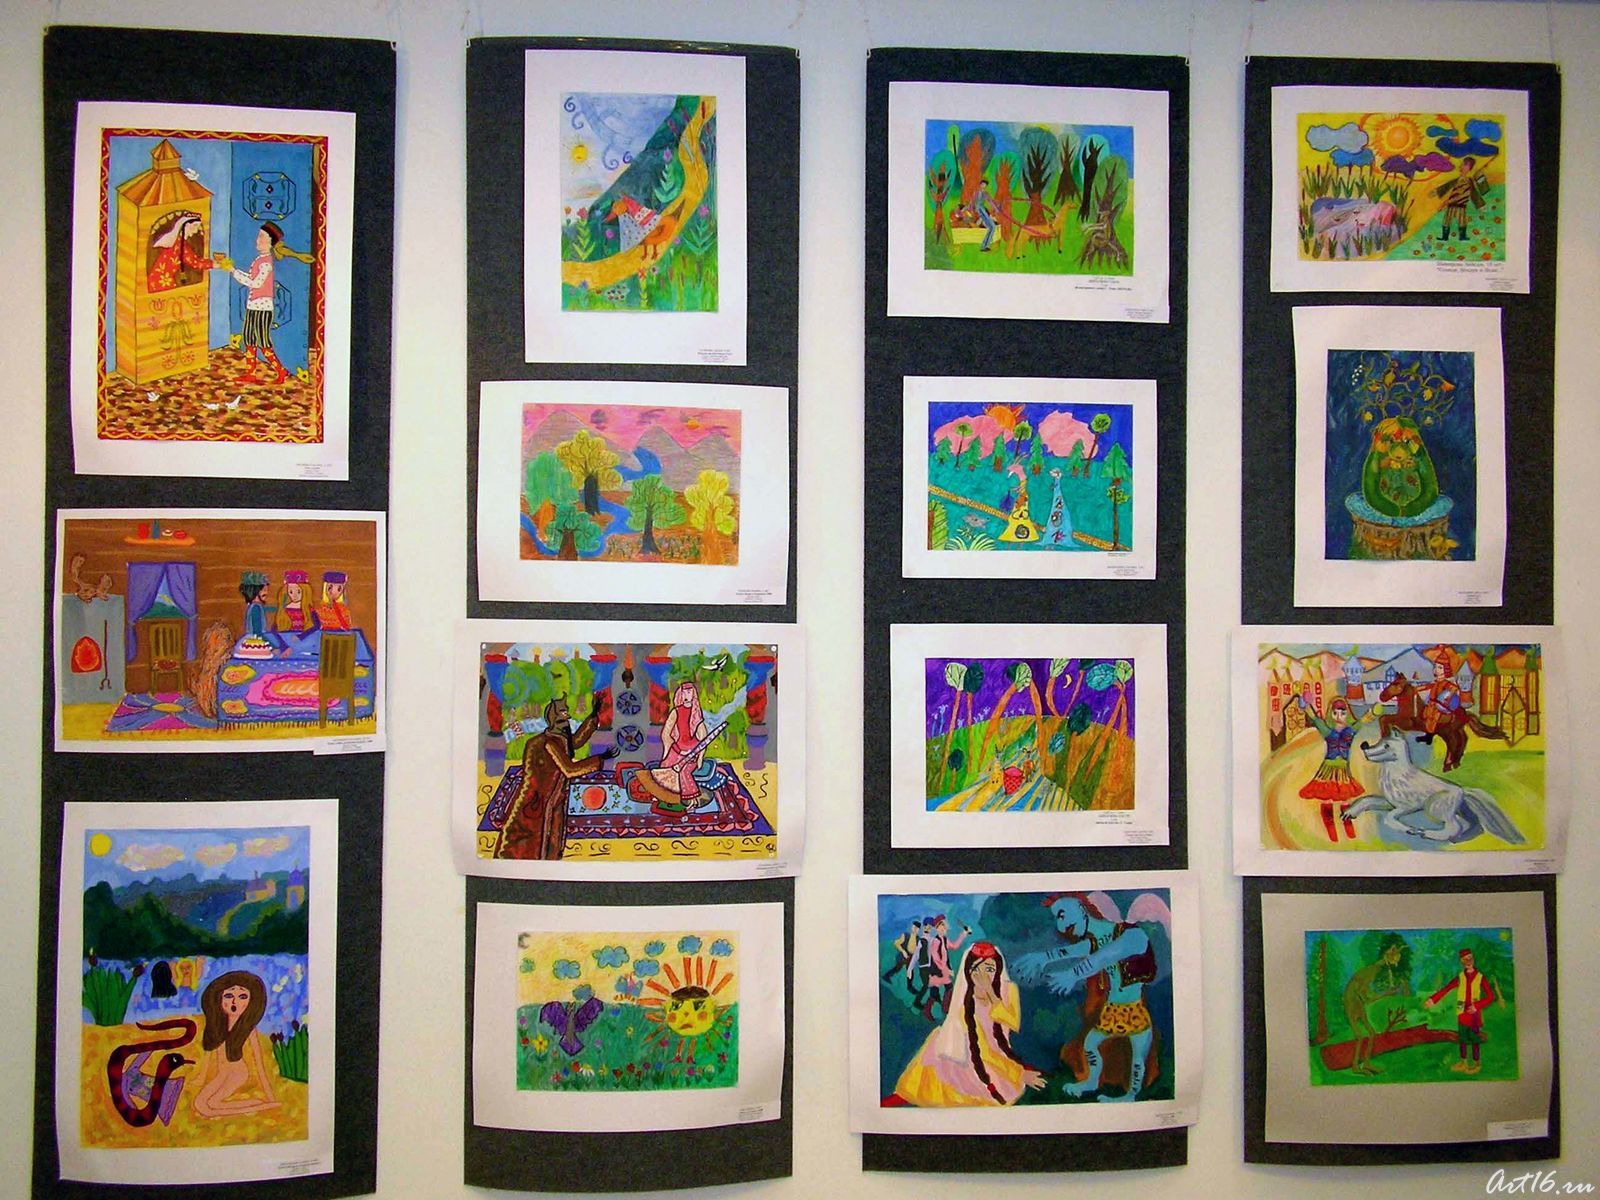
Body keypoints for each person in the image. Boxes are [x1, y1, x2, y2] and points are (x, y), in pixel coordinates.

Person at [1016, 893, 1160, 1102]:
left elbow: (1103, 958)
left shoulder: (1132, 936)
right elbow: (1075, 950)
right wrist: (1043, 957)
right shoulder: (1099, 940)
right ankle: (1092, 1082)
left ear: (1081, 910)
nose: (1061, 925)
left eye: (1062, 915)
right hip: (1112, 1009)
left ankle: (1131, 1094)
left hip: (1134, 1010)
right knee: (1090, 1045)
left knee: (1138, 1056)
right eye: (1057, 918)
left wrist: (1073, 974)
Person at [894, 941, 1046, 1107]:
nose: (983, 976)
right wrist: (1019, 1074)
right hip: (973, 1059)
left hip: (999, 1055)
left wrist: (990, 993)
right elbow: (982, 1051)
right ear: (968, 972)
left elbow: (1012, 1022)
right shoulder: (965, 1005)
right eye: (976, 969)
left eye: (989, 969)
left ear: (998, 970)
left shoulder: (1009, 990)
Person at [497, 695, 616, 860]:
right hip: (537, 802)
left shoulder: (557, 738)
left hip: (552, 800)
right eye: (564, 713)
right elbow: (569, 770)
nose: (568, 716)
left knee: (551, 842)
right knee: (529, 843)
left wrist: (593, 716)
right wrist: (600, 759)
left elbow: (575, 742)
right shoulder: (549, 743)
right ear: (556, 717)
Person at [220, 220, 311, 385]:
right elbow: (251, 279)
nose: (258, 240)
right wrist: (233, 270)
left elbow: (255, 283)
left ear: (270, 243)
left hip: (262, 308)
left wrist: (233, 271)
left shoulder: (266, 263)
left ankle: (281, 370)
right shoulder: (259, 259)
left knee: (263, 342)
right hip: (252, 306)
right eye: (258, 236)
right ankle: (251, 373)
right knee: (249, 339)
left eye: (262, 237)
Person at [190, 970, 281, 1118]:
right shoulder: (216, 1027)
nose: (234, 1002)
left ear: (251, 1002)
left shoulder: (248, 1030)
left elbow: (259, 1063)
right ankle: (254, 1104)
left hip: (237, 1074)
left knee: (207, 1107)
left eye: (242, 997)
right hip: (221, 1074)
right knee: (200, 1104)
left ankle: (262, 1105)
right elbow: (208, 1053)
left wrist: (269, 1094)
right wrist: (201, 1076)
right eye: (228, 996)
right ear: (218, 998)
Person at [1288, 693, 1364, 843]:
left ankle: (1349, 832)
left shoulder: (1351, 731)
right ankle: (1331, 833)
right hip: (1327, 771)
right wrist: (1306, 705)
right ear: (1331, 714)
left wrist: (1375, 711)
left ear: (1348, 714)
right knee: (1328, 799)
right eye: (1335, 713)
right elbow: (1315, 719)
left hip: (1343, 772)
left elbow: (1364, 720)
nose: (1338, 716)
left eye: (1342, 713)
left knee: (1345, 800)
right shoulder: (1327, 731)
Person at [1341, 934, 1409, 1076]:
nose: (1396, 960)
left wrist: (1384, 994)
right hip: (1351, 1000)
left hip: (1356, 999)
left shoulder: (1374, 969)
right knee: (1359, 1036)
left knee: (1371, 1033)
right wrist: (1384, 994)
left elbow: (1365, 993)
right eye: (1395, 956)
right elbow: (1364, 995)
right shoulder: (1373, 970)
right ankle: (1355, 1067)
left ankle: (1366, 1063)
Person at [1424, 947, 1498, 1075]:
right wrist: (1432, 1000)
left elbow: (1491, 996)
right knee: (1462, 1039)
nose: (1468, 961)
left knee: (1474, 1039)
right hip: (1462, 1013)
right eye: (1465, 960)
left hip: (1474, 1014)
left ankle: (1476, 1064)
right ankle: (1463, 1062)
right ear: (1461, 962)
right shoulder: (1460, 977)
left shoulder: (1480, 977)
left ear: (1473, 959)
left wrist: (1477, 1006)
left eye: (1470, 958)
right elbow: (1446, 988)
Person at [654, 680, 720, 809]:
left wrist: (700, 756)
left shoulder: (696, 714)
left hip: (692, 752)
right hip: (676, 750)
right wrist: (667, 752)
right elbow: (666, 732)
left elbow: (703, 737)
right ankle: (664, 796)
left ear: (693, 694)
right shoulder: (676, 712)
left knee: (684, 772)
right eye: (684, 692)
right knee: (665, 768)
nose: (686, 695)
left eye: (689, 692)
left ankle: (692, 801)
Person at [918, 913, 970, 1022]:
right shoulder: (936, 941)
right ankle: (929, 1010)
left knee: (948, 988)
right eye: (943, 926)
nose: (945, 928)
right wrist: (946, 970)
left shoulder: (945, 940)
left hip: (943, 971)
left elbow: (954, 946)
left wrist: (964, 934)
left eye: (945, 926)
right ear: (937, 928)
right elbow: (936, 958)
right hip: (937, 971)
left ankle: (945, 1008)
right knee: (935, 992)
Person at [146, 213, 210, 292]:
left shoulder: (178, 242)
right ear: (186, 226)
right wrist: (215, 264)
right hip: (161, 281)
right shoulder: (179, 244)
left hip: (162, 279)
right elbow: (195, 262)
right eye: (195, 226)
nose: (196, 230)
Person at [1433, 156, 1487, 242]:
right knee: (1447, 220)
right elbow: (1447, 186)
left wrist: (1480, 205)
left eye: (1466, 165)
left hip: (1461, 205)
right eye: (1463, 164)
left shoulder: (1469, 181)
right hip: (1451, 205)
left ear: (1470, 168)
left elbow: (1474, 194)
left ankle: (1462, 236)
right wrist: (1437, 191)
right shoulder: (1457, 180)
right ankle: (1445, 236)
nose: (1463, 166)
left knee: (1462, 220)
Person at [1419, 658, 1465, 737]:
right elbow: (1427, 686)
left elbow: (1454, 688)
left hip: (1438, 705)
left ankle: (1429, 735)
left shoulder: (1445, 682)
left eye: (1440, 668)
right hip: (1431, 703)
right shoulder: (1436, 682)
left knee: (1433, 716)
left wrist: (1448, 697)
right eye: (1436, 667)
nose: (1437, 670)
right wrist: (1416, 689)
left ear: (1445, 670)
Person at [274, 569, 319, 634]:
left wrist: (301, 636)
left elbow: (317, 625)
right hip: (287, 637)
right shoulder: (284, 608)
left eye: (298, 592)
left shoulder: (308, 608)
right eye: (291, 592)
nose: (294, 596)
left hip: (304, 638)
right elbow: (275, 626)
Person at [882, 920, 922, 985]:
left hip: (911, 957)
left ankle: (909, 986)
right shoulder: (906, 935)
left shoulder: (918, 939)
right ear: (912, 927)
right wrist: (903, 951)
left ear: (918, 930)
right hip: (903, 956)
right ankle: (886, 976)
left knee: (910, 970)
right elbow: (896, 943)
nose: (915, 929)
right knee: (898, 968)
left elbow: (918, 950)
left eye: (917, 928)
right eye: (914, 927)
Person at [238, 571, 273, 636]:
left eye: (267, 590)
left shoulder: (254, 606)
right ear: (255, 591)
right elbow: (257, 632)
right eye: (264, 590)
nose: (266, 592)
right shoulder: (256, 608)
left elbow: (267, 609)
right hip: (255, 640)